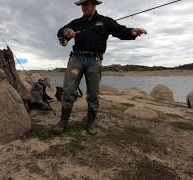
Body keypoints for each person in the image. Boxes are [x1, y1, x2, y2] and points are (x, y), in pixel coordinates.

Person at [53, 0, 147, 136]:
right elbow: (60, 32)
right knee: (68, 91)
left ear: (94, 4)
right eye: (82, 5)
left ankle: (90, 123)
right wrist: (67, 32)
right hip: (76, 59)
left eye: (87, 4)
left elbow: (120, 31)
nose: (84, 7)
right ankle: (63, 122)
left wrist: (133, 32)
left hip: (94, 61)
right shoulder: (76, 23)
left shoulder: (106, 21)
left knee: (93, 95)